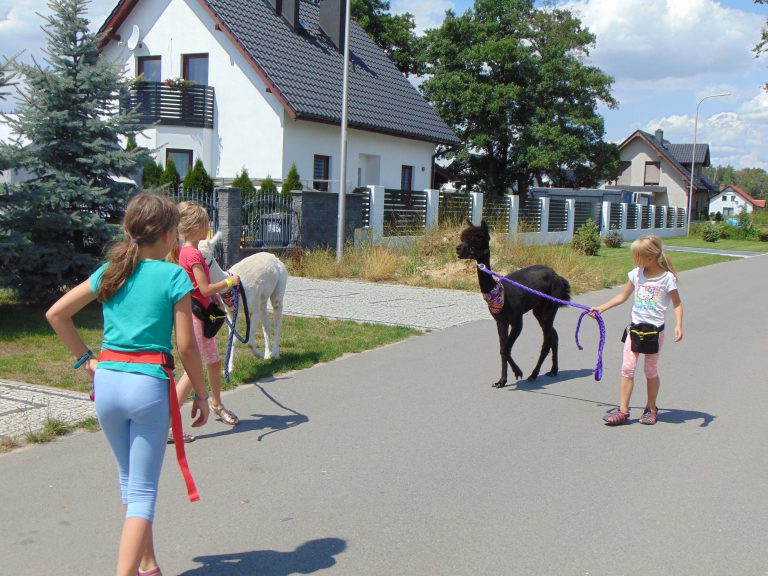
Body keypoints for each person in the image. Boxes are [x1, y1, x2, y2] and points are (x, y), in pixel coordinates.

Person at [46, 193, 210, 576]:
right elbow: (187, 346)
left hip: (107, 384)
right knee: (142, 494)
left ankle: (147, 566)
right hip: (147, 386)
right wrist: (202, 395)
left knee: (130, 483)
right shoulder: (173, 275)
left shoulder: (112, 270)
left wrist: (86, 358)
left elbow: (56, 314)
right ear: (168, 235)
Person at [590, 235, 683, 426]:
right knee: (627, 369)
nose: (634, 260)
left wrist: (679, 325)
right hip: (635, 330)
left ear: (650, 257)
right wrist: (601, 308)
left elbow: (677, 303)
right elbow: (623, 296)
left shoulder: (667, 279)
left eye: (637, 256)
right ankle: (623, 411)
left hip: (654, 333)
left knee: (650, 371)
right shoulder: (636, 274)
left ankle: (651, 408)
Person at [173, 201, 241, 435]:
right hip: (196, 317)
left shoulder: (185, 251)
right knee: (193, 370)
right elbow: (204, 289)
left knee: (213, 362)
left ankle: (216, 404)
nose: (208, 227)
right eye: (205, 224)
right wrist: (230, 282)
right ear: (195, 227)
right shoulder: (192, 254)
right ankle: (168, 422)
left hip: (198, 314)